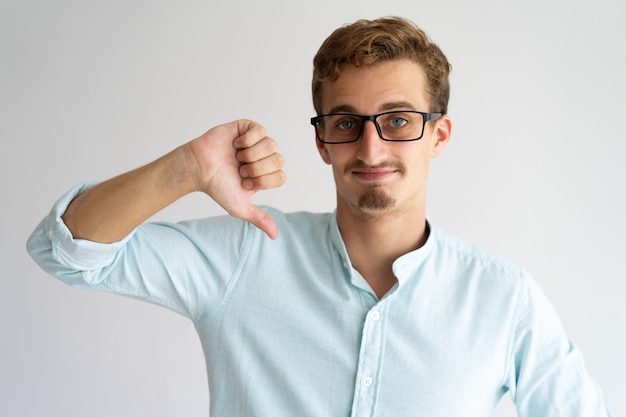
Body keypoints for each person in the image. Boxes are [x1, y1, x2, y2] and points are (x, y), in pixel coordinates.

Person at [27, 16, 611, 416]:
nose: (372, 148)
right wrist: (187, 168)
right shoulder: (249, 253)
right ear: (322, 141)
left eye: (399, 119)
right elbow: (67, 250)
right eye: (346, 122)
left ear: (439, 135)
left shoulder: (502, 299)